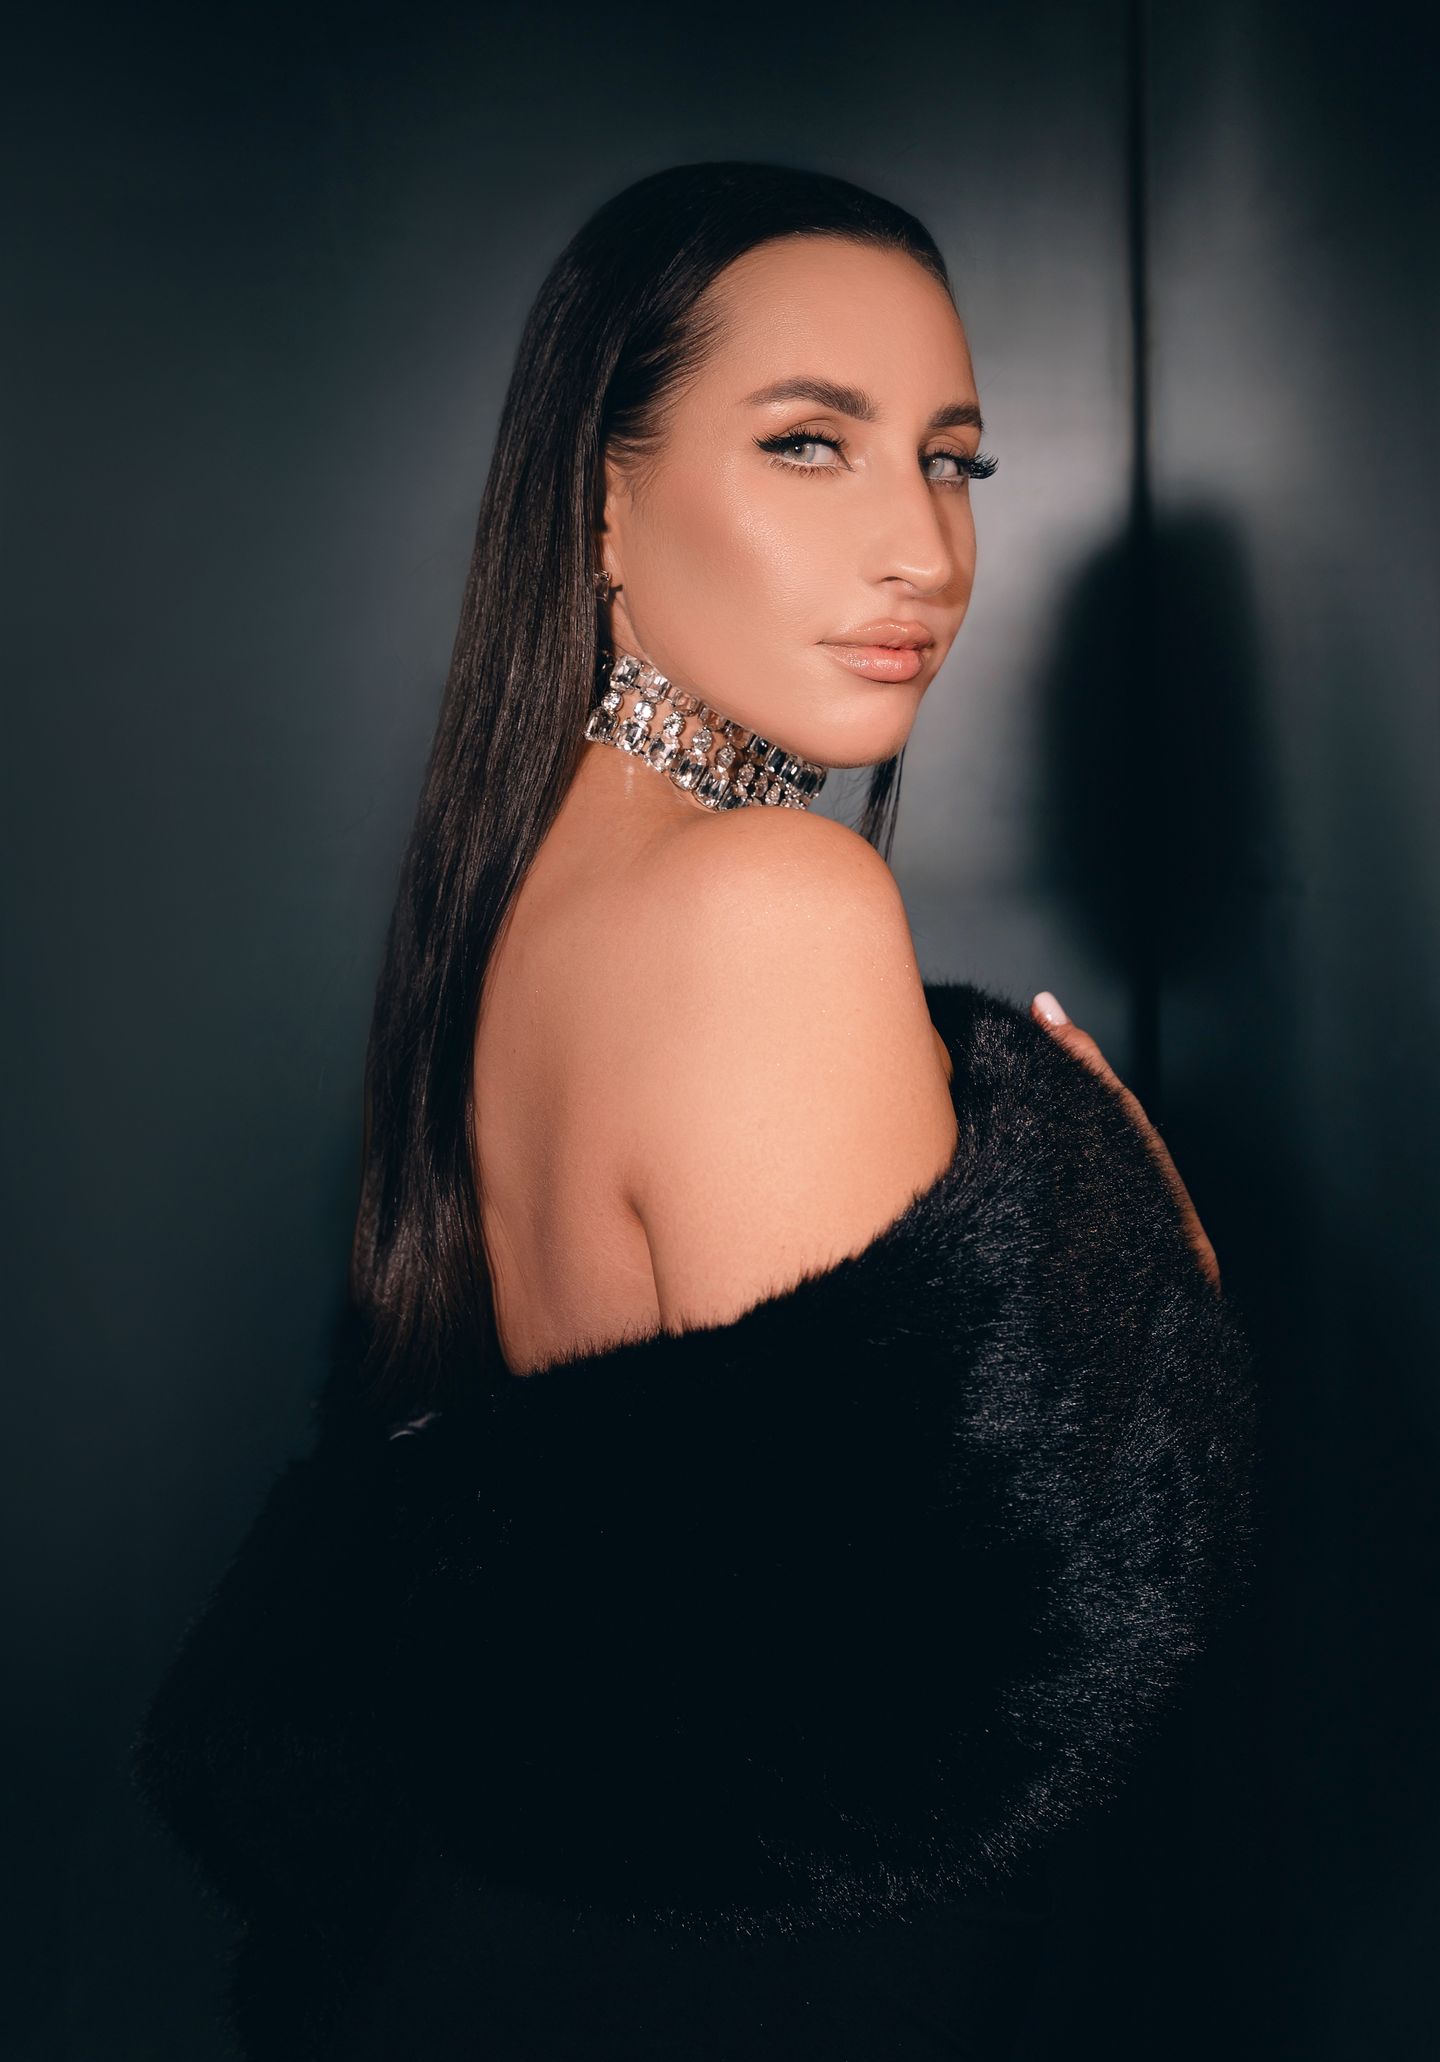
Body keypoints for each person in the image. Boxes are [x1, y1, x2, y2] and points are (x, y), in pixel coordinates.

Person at [131, 162, 1256, 2060]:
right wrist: (1151, 1265)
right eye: (812, 443)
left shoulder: (528, 896)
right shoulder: (773, 899)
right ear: (606, 499)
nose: (923, 546)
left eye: (952, 461)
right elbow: (952, 1707)